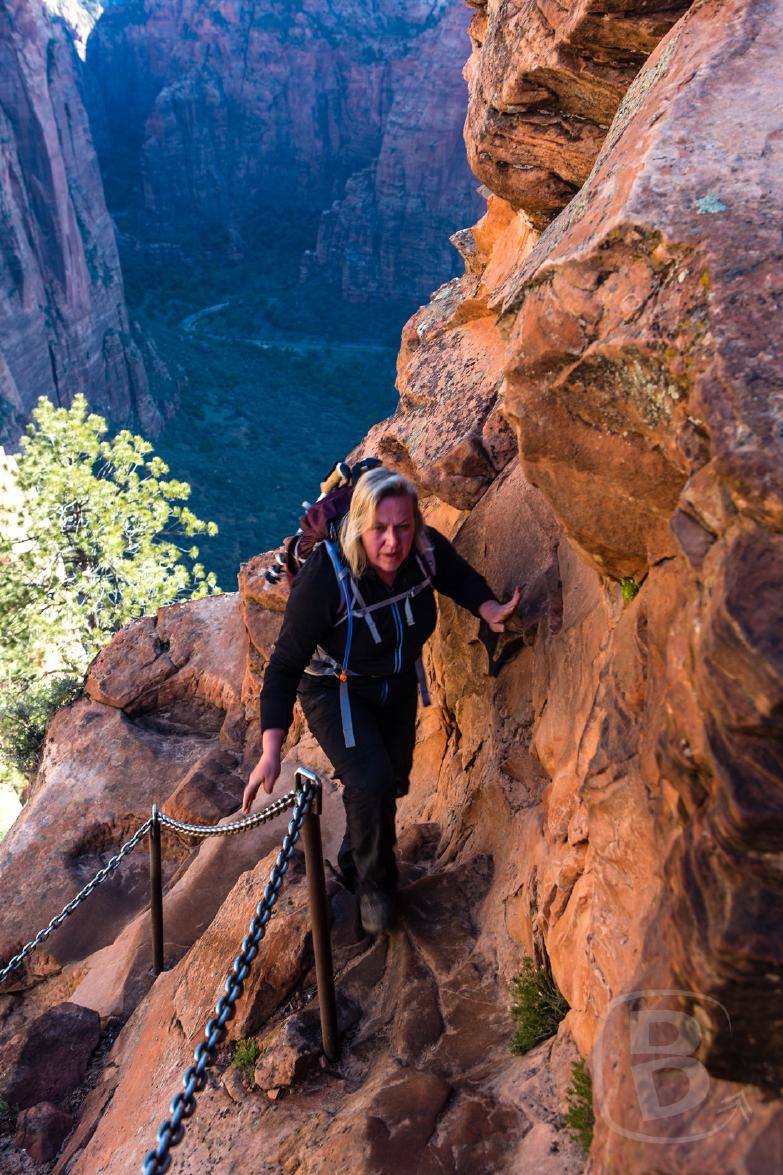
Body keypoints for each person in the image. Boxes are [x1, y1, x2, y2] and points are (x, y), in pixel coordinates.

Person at [242, 467, 520, 934]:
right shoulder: (328, 576)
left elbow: (455, 575)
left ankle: (354, 859)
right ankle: (375, 892)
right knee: (369, 779)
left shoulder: (423, 551)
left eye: (403, 526)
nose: (393, 542)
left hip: (394, 679)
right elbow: (285, 663)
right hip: (334, 685)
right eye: (380, 529)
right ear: (359, 527)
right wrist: (271, 749)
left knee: (390, 781)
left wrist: (489, 609)